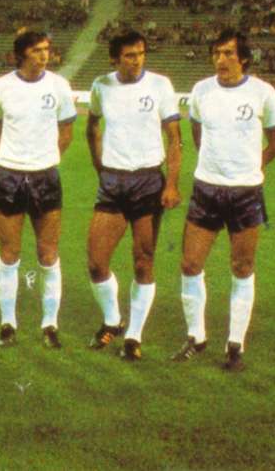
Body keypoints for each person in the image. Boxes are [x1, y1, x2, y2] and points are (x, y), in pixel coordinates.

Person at [173, 30, 275, 370]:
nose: (221, 59)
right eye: (217, 53)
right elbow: (197, 134)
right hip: (206, 188)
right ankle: (196, 337)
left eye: (228, 53)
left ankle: (235, 344)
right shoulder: (201, 91)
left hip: (245, 192)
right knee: (190, 264)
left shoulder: (263, 92)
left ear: (243, 58)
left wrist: (251, 168)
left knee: (242, 267)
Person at [85, 30, 182, 361]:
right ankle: (113, 319)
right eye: (129, 55)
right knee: (96, 262)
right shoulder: (101, 86)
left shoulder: (160, 85)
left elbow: (174, 138)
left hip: (147, 181)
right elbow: (92, 128)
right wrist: (101, 168)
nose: (137, 60)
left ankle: (134, 336)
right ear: (115, 59)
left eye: (140, 53)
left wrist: (172, 183)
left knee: (143, 261)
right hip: (113, 182)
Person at [0, 29, 76, 348]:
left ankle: (50, 324)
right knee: (9, 254)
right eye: (37, 50)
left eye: (46, 49)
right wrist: (14, 158)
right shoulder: (0, 87)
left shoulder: (59, 86)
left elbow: (67, 132)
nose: (44, 55)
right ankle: (8, 323)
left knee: (48, 253)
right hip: (8, 176)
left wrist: (44, 159)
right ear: (21, 55)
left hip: (45, 177)